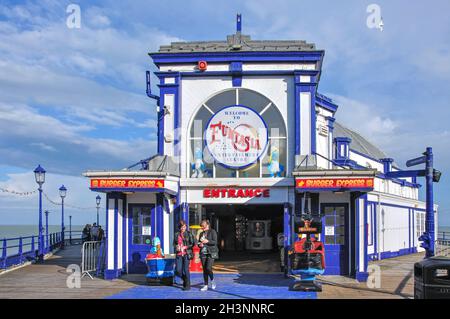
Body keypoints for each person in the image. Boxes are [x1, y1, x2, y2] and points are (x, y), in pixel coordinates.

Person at [173, 220, 195, 291]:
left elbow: (193, 244)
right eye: (182, 227)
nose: (183, 228)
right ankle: (185, 280)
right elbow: (174, 243)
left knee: (186, 269)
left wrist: (185, 247)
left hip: (186, 253)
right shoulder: (176, 234)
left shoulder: (189, 234)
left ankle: (188, 285)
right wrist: (176, 246)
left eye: (184, 226)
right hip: (179, 254)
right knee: (178, 270)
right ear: (179, 227)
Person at [198, 219, 218, 291]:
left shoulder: (212, 232)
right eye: (201, 226)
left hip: (211, 252)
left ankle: (212, 280)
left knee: (208, 268)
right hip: (203, 252)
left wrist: (208, 241)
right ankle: (205, 285)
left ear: (207, 225)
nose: (202, 227)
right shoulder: (201, 233)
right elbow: (198, 243)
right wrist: (200, 244)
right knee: (204, 269)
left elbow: (215, 242)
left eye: (203, 226)